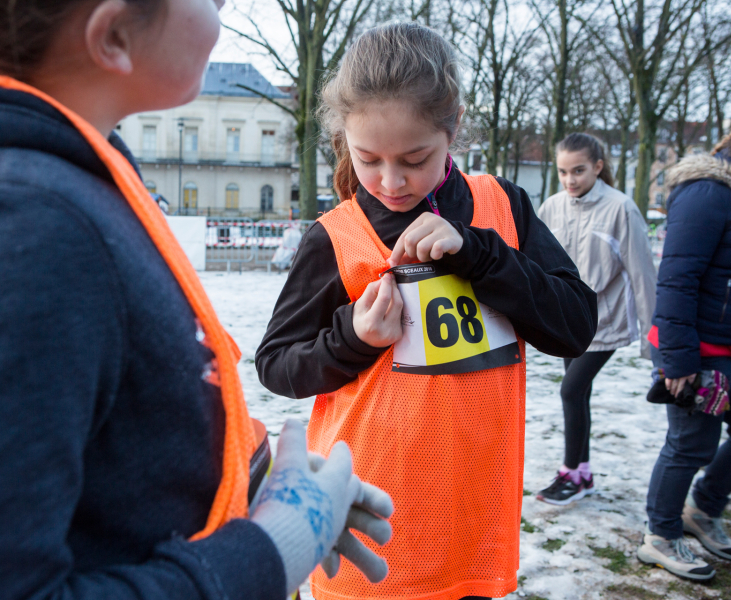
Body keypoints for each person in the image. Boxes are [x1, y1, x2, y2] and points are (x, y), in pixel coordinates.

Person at [0, 1, 395, 599]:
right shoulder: (25, 230)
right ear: (115, 33)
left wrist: (245, 485)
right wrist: (271, 548)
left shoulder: (42, 187)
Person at [256, 22, 597, 600]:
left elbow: (574, 326)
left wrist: (482, 255)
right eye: (368, 159)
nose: (391, 182)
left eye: (415, 158)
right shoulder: (336, 236)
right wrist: (354, 340)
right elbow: (276, 364)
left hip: (473, 523)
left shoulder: (502, 206)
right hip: (370, 528)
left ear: (453, 128)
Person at [637, 106, 731, 581]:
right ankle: (659, 535)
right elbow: (677, 279)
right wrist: (680, 359)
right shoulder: (708, 193)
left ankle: (703, 507)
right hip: (698, 346)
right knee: (690, 445)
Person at [536, 133, 656, 505]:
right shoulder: (552, 206)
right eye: (563, 172)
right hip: (568, 321)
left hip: (606, 323)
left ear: (598, 167)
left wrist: (656, 344)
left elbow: (642, 275)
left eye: (579, 171)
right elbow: (535, 264)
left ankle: (570, 473)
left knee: (570, 390)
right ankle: (583, 473)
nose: (570, 180)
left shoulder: (621, 208)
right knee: (579, 395)